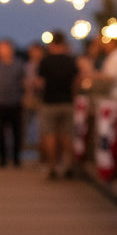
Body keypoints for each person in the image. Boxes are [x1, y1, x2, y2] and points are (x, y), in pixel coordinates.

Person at [36, 31, 79, 179]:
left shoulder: (45, 61)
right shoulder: (71, 61)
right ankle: (68, 165)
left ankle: (52, 166)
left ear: (52, 44)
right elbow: (76, 82)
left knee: (50, 135)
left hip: (49, 102)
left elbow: (40, 83)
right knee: (67, 135)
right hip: (67, 102)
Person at [0, 39, 25, 167]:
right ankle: (2, 159)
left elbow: (23, 82)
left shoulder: (19, 63)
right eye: (0, 49)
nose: (2, 51)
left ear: (11, 49)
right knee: (1, 133)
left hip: (15, 102)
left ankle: (16, 159)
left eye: (5, 48)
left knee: (16, 133)